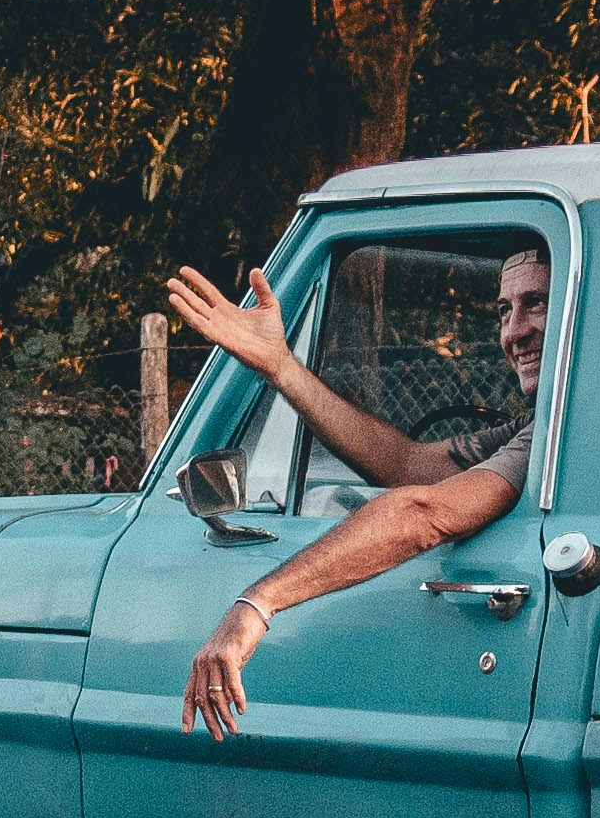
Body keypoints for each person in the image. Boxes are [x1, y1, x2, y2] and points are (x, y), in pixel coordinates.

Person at [160, 241, 548, 738]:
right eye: (504, 310)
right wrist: (282, 367)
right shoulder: (530, 428)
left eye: (536, 303)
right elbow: (408, 464)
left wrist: (258, 602)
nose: (515, 331)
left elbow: (423, 512)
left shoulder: (559, 430)